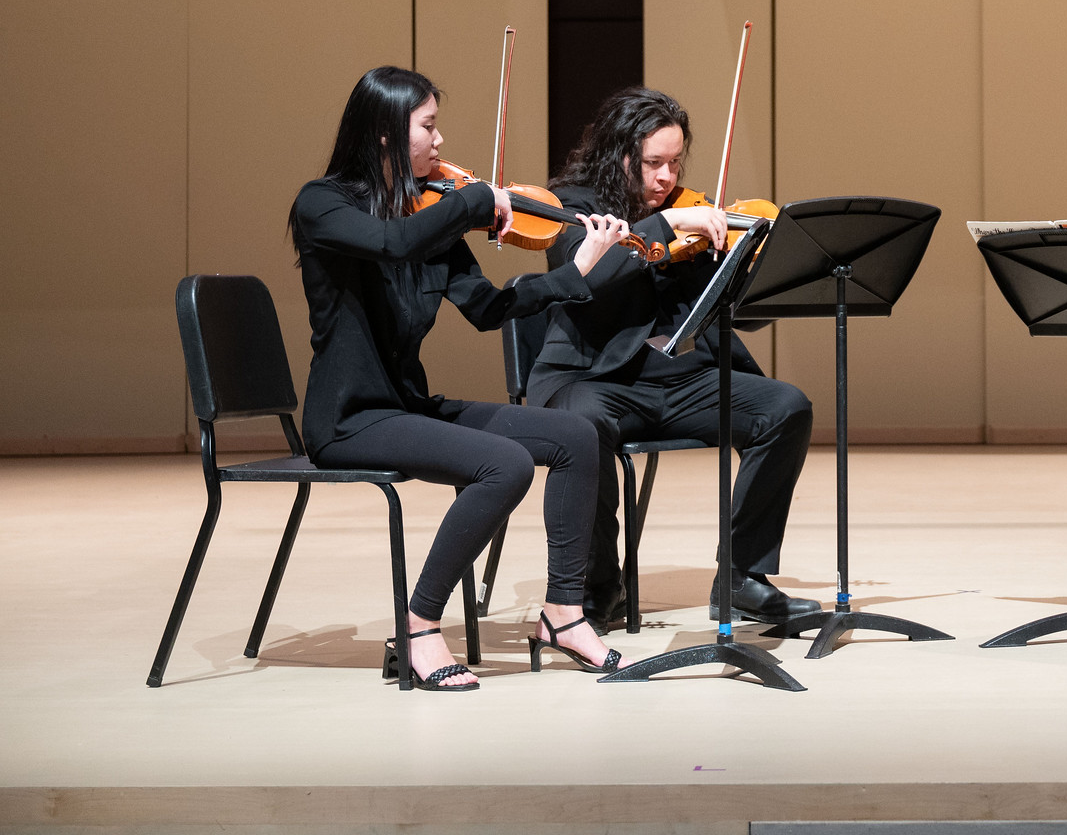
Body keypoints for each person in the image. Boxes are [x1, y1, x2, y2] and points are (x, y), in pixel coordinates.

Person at [291, 66, 635, 690]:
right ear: (389, 135)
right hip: (349, 418)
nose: (441, 141)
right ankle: (419, 624)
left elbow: (488, 310)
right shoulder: (324, 205)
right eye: (428, 126)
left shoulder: (430, 215)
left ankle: (563, 611)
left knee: (576, 438)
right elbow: (390, 244)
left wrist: (577, 268)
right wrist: (473, 203)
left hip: (407, 406)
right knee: (503, 465)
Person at [529, 87, 820, 628]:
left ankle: (741, 579)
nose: (667, 178)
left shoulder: (693, 208)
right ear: (619, 155)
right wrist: (663, 230)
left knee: (786, 407)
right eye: (653, 164)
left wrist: (747, 264)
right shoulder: (573, 204)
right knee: (580, 426)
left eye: (675, 163)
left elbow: (743, 315)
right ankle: (597, 586)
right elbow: (582, 276)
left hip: (684, 379)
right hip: (595, 378)